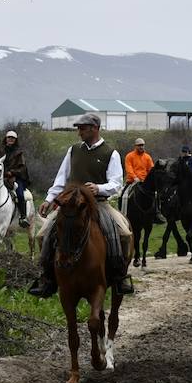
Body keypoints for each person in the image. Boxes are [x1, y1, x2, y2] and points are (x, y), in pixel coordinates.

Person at [30, 112, 134, 298]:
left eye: (83, 128)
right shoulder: (73, 150)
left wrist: (99, 188)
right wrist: (48, 199)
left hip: (99, 204)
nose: (79, 132)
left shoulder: (111, 153)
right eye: (78, 128)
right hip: (71, 206)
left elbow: (116, 183)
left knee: (123, 233)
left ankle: (120, 277)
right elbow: (61, 178)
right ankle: (46, 277)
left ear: (95, 128)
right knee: (43, 234)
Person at [0, 130, 31, 228]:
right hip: (1, 177)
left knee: (19, 193)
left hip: (16, 178)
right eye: (9, 137)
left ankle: (23, 217)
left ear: (15, 140)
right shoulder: (0, 151)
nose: (10, 139)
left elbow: (22, 168)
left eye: (13, 138)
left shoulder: (19, 153)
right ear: (6, 139)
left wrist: (12, 172)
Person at [123, 137, 164, 223]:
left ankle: (157, 214)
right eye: (139, 145)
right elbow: (128, 168)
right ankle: (123, 213)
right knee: (124, 196)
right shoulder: (129, 156)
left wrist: (150, 179)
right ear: (135, 146)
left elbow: (151, 170)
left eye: (142, 145)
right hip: (132, 181)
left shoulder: (147, 157)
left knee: (156, 195)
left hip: (145, 182)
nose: (141, 147)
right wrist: (135, 178)